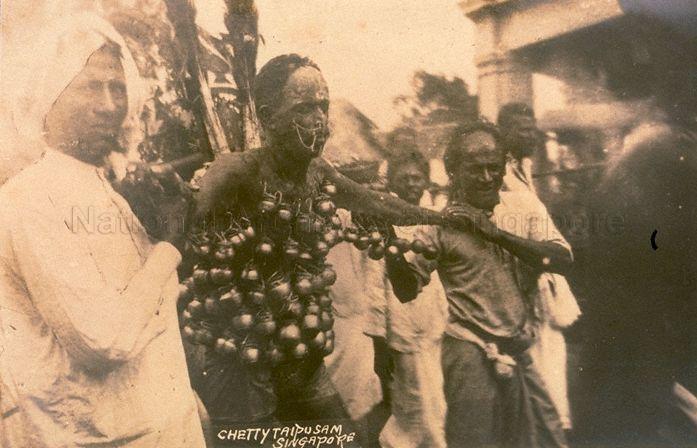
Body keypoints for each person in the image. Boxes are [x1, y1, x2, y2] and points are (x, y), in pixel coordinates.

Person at [191, 54, 473, 426]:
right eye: (305, 108)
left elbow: (375, 202)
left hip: (301, 355)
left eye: (323, 106)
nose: (319, 119)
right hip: (242, 359)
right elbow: (188, 241)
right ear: (267, 115)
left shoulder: (317, 173)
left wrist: (444, 217)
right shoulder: (234, 171)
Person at [0, 15, 205, 447]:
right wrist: (171, 243)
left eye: (118, 87)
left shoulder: (101, 186)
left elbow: (145, 311)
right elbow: (103, 342)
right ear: (48, 95)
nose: (110, 105)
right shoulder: (29, 199)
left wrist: (181, 392)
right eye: (91, 87)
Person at [385, 121, 571, 448]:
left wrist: (493, 233)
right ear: (454, 172)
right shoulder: (440, 224)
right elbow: (407, 289)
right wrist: (388, 245)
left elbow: (562, 258)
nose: (487, 177)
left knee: (548, 438)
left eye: (493, 168)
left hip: (517, 345)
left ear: (503, 168)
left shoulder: (522, 205)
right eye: (475, 169)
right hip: (469, 349)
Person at [498, 103, 581, 429]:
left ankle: (549, 425)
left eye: (532, 129)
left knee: (549, 354)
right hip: (519, 277)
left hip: (538, 271)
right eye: (522, 129)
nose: (530, 135)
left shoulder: (523, 167)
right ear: (504, 131)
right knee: (532, 361)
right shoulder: (499, 174)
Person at [363, 148, 449, 448]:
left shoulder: (435, 220)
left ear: (426, 181)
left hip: (435, 320)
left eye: (418, 178)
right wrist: (378, 338)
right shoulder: (384, 225)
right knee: (415, 400)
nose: (413, 184)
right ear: (393, 183)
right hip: (402, 323)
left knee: (436, 395)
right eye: (405, 178)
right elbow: (374, 286)